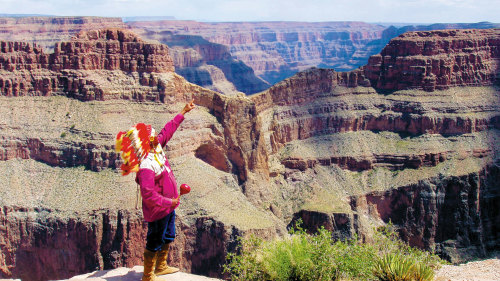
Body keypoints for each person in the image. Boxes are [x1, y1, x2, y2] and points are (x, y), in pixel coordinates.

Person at [115, 99, 195, 281]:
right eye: (151, 135)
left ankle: (161, 266)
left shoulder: (155, 148)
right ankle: (148, 275)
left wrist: (183, 111)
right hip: (158, 210)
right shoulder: (146, 166)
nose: (155, 136)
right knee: (155, 240)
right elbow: (148, 194)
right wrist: (170, 201)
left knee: (168, 235)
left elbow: (168, 131)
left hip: (169, 207)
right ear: (144, 143)